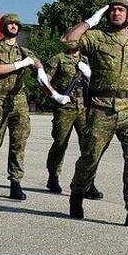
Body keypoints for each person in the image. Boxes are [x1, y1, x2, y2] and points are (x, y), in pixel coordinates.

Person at [62, 0, 128, 229]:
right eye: (112, 10)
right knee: (90, 157)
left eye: (121, 10)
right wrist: (91, 20)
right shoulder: (97, 38)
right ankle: (77, 193)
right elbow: (68, 40)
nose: (116, 13)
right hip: (101, 108)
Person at [0, 13, 71, 200]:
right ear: (3, 27)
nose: (13, 26)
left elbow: (39, 70)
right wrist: (21, 64)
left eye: (16, 24)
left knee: (19, 143)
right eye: (9, 24)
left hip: (19, 101)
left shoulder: (25, 51)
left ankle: (15, 183)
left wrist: (51, 89)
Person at [43, 41, 102, 199]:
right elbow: (44, 80)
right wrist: (56, 95)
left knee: (89, 147)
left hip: (84, 108)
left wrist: (90, 74)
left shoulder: (88, 60)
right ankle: (53, 177)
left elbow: (99, 81)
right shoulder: (58, 59)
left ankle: (88, 183)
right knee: (60, 143)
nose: (73, 42)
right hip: (64, 108)